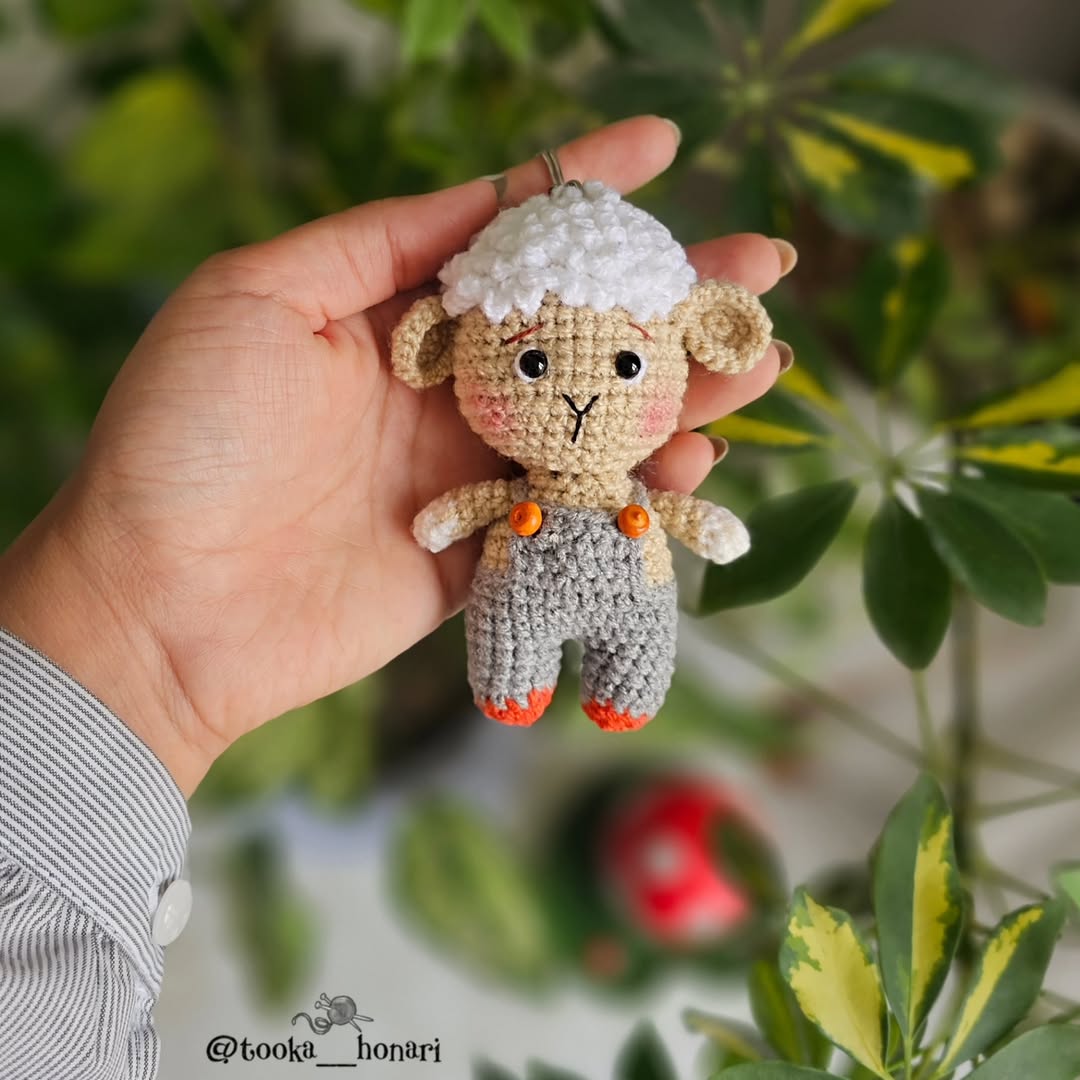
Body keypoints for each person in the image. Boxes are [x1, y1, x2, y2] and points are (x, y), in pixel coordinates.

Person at [0, 116, 794, 1078]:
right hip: (518, 561)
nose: (582, 396)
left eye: (629, 364)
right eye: (532, 363)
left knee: (630, 643)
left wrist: (701, 524)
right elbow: (464, 509)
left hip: (627, 558)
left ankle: (620, 687)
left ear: (698, 339)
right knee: (512, 640)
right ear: (449, 351)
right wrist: (450, 515)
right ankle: (522, 685)